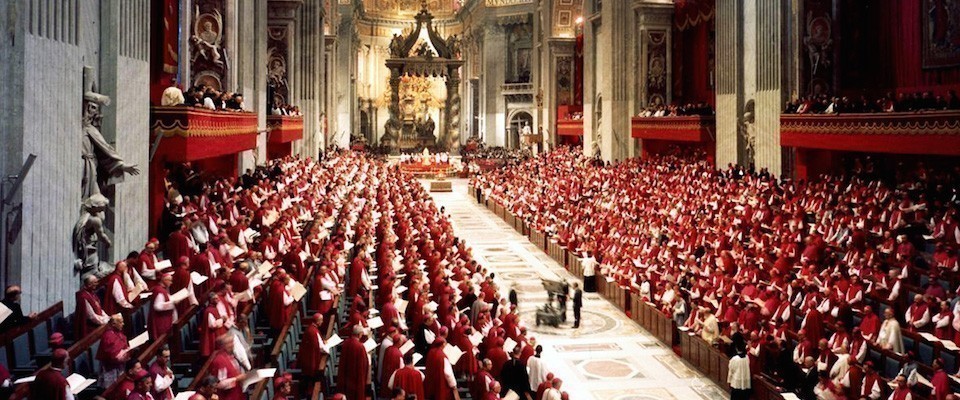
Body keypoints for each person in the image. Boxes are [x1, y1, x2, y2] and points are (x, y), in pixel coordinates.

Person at [337, 325, 370, 400]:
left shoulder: (346, 343)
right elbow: (364, 364)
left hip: (346, 377)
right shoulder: (360, 347)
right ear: (360, 334)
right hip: (356, 378)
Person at [98, 314, 132, 387]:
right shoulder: (108, 336)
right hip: (111, 368)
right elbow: (112, 355)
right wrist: (126, 352)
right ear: (113, 324)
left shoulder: (118, 332)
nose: (123, 324)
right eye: (120, 322)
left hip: (120, 367)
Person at [209, 334, 245, 400]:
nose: (232, 345)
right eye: (229, 343)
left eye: (232, 342)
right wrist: (237, 379)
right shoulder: (220, 360)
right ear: (222, 346)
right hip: (228, 397)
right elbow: (220, 384)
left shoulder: (231, 356)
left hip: (237, 394)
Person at [297, 313, 328, 389]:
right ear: (317, 321)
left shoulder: (311, 328)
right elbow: (320, 347)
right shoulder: (313, 332)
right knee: (310, 380)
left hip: (307, 359)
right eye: (321, 320)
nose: (322, 322)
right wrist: (328, 349)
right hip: (310, 360)